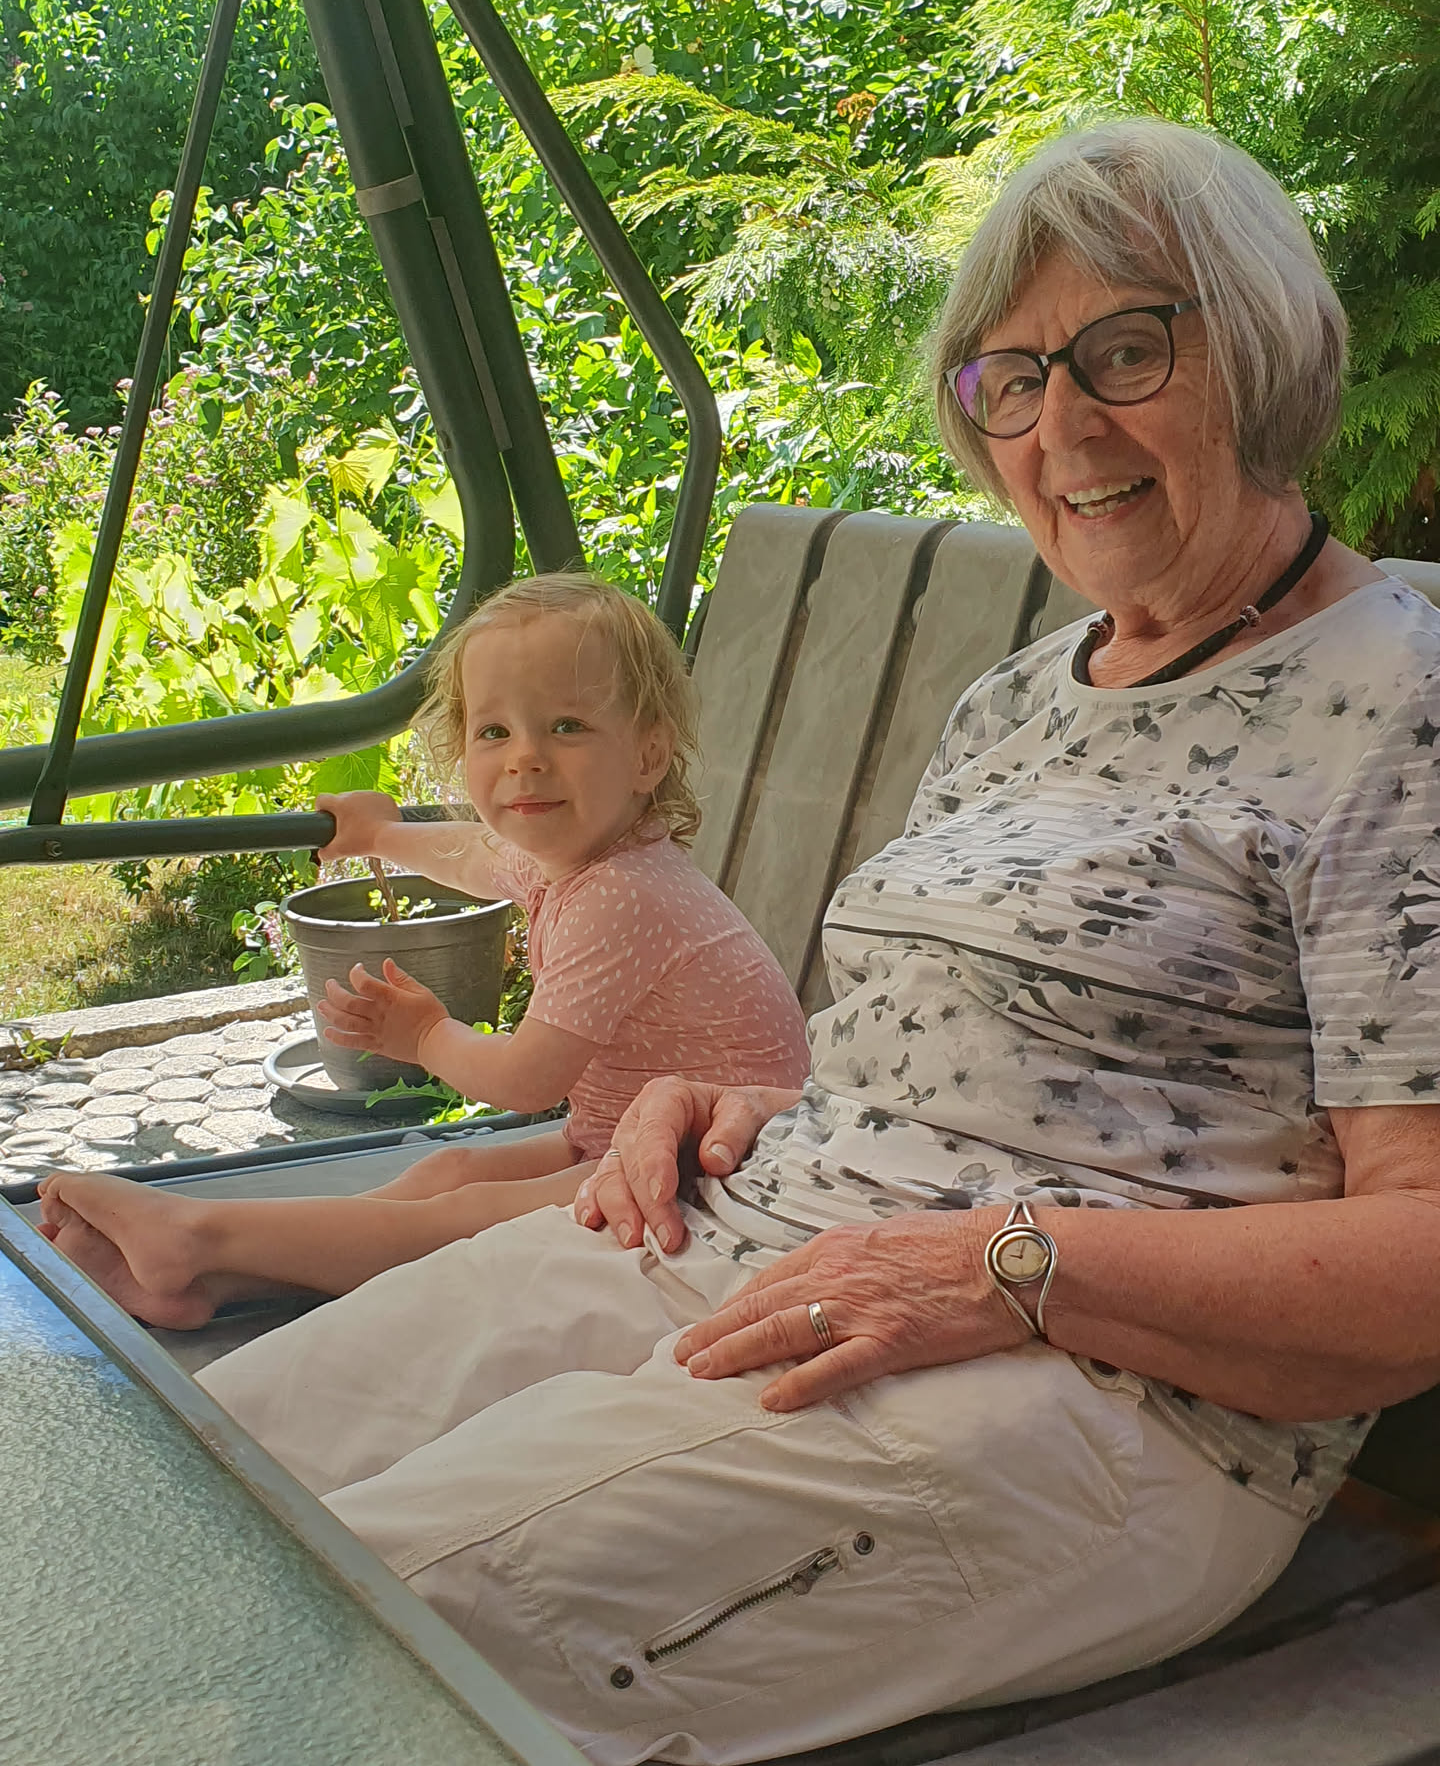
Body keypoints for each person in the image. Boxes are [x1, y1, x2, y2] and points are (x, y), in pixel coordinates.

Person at [70, 118, 1440, 1766]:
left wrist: (1002, 1262)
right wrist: (738, 1106)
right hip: (749, 1230)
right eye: (1010, 379)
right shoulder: (1020, 701)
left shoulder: (1399, 705)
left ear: (1266, 352)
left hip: (1095, 1396)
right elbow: (964, 1059)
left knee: (301, 1640)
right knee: (140, 1502)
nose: (1062, 425)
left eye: (1126, 352)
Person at [38, 574, 809, 1327]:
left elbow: (526, 1081)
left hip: (718, 1171)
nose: (525, 757)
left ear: (647, 755)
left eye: (567, 726)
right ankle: (216, 1276)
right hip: (628, 1142)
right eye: (495, 732)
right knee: (449, 1169)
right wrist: (378, 834)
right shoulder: (581, 860)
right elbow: (474, 854)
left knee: (463, 1213)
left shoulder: (620, 895)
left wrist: (427, 1036)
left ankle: (197, 1241)